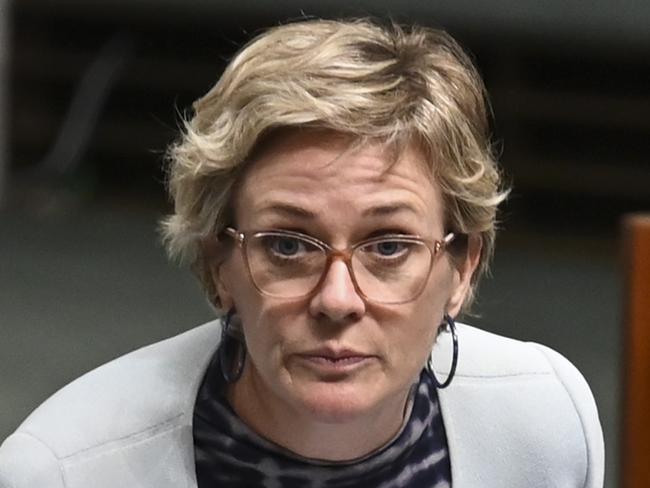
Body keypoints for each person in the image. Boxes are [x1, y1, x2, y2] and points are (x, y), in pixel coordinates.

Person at [0, 18, 604, 487]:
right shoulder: (63, 471)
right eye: (288, 245)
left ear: (462, 266)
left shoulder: (544, 425)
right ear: (219, 265)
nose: (337, 300)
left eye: (389, 246)